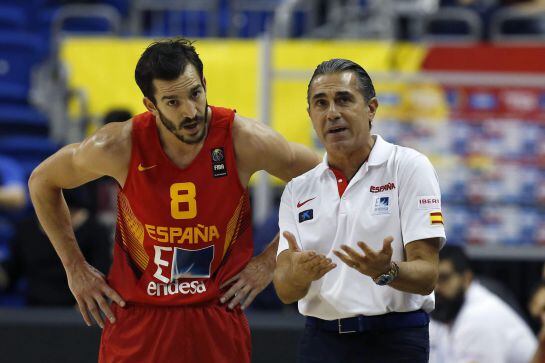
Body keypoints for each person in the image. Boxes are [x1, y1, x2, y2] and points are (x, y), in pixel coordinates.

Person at [28, 38, 320, 363]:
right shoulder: (116, 146)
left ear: (205, 84)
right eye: (172, 102)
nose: (190, 111)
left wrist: (270, 260)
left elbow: (321, 178)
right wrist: (75, 268)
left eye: (195, 93)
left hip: (216, 316)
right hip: (138, 317)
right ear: (150, 106)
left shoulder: (244, 140)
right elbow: (42, 181)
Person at [273, 58, 446, 363]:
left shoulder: (408, 167)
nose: (332, 113)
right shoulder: (297, 189)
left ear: (371, 109)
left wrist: (386, 271)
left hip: (394, 338)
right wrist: (299, 274)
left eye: (343, 99)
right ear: (311, 115)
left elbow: (428, 274)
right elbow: (286, 291)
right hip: (321, 341)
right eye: (321, 103)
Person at [0, 185, 111, 306]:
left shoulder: (94, 230)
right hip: (35, 309)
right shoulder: (26, 229)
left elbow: (102, 270)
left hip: (79, 309)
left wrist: (90, 304)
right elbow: (11, 269)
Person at [429, 245, 537, 363]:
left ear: (466, 279)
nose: (436, 288)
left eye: (444, 278)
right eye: (431, 280)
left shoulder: (480, 316)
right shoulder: (445, 312)